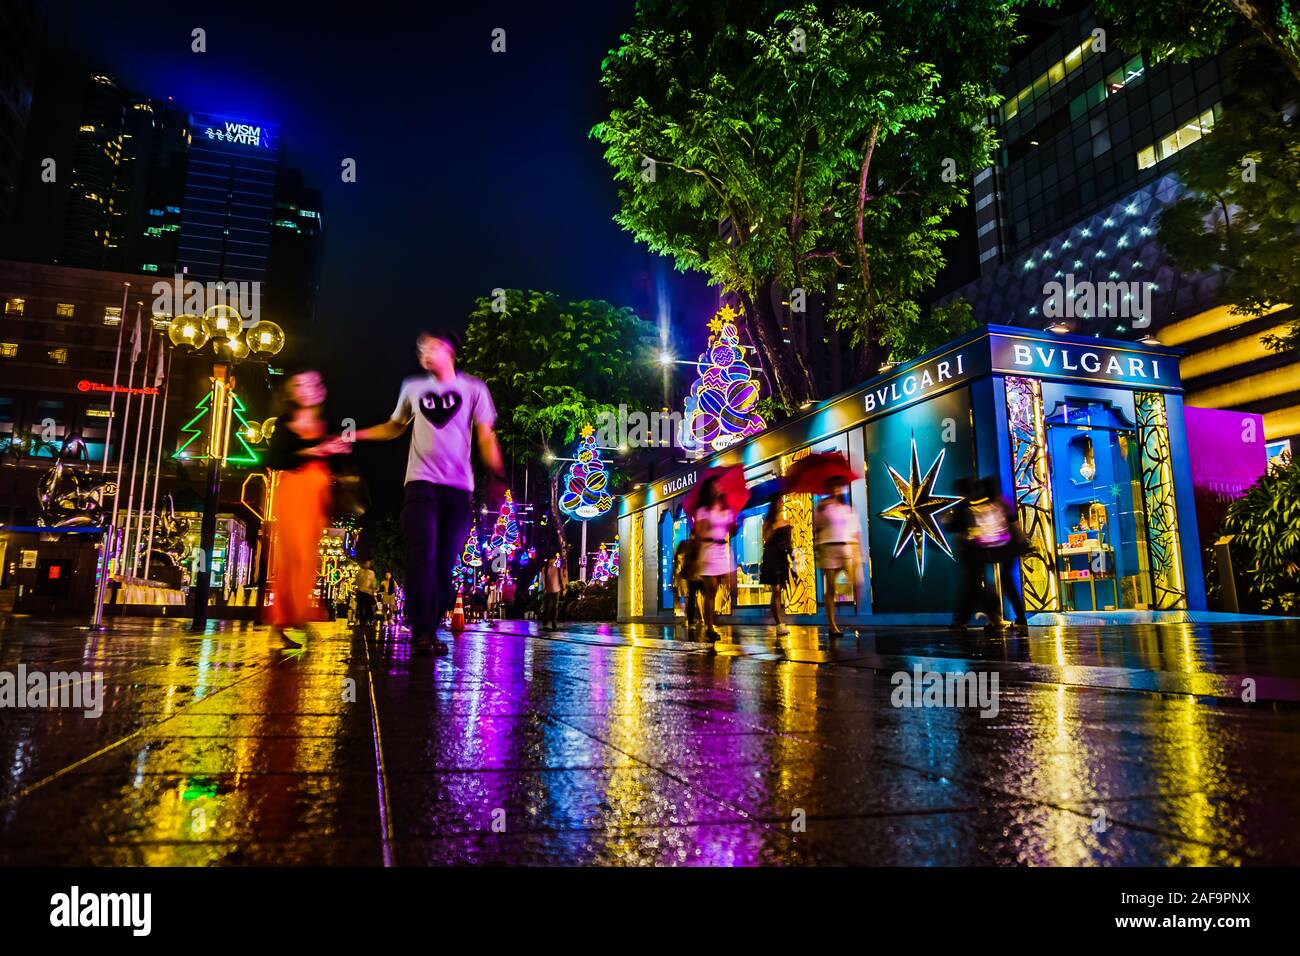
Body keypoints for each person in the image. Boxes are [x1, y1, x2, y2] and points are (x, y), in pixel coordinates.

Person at [353, 330, 504, 656]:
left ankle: (430, 626)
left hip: (459, 490)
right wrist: (358, 434)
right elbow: (395, 425)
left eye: (432, 347)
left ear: (450, 351)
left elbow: (485, 435)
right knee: (423, 553)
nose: (424, 352)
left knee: (444, 562)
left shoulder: (474, 388)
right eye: (420, 348)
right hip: (420, 484)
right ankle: (422, 631)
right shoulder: (413, 388)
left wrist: (498, 473)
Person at [264, 370, 349, 648]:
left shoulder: (324, 425)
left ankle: (293, 618)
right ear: (291, 393)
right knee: (293, 555)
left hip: (316, 495)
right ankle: (285, 619)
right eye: (301, 384)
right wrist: (313, 451)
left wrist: (336, 451)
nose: (309, 388)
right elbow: (275, 458)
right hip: (293, 493)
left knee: (308, 559)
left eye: (314, 383)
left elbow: (334, 462)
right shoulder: (285, 424)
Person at [814, 478, 860, 637]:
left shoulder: (847, 508)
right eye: (833, 487)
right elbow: (816, 529)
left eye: (838, 486)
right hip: (828, 547)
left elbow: (855, 531)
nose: (836, 489)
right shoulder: (821, 507)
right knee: (831, 589)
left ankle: (851, 615)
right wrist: (817, 545)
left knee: (857, 582)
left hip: (845, 547)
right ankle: (833, 625)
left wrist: (858, 549)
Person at [691, 477, 735, 641]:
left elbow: (732, 529)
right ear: (709, 490)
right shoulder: (704, 510)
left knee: (730, 586)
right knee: (712, 591)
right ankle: (710, 626)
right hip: (709, 549)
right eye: (715, 485)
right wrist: (696, 555)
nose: (719, 487)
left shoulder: (725, 509)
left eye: (719, 485)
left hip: (723, 548)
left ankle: (712, 620)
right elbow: (700, 533)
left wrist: (734, 525)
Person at [760, 495, 794, 635]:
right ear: (774, 504)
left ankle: (775, 618)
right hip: (771, 556)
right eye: (778, 501)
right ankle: (779, 623)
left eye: (782, 501)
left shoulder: (786, 522)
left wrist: (794, 558)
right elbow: (765, 538)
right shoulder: (768, 522)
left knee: (779, 590)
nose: (781, 504)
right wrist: (774, 527)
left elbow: (789, 544)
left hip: (782, 558)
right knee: (776, 589)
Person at [672, 535, 703, 626]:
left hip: (681, 578)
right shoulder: (687, 556)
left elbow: (675, 570)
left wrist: (673, 580)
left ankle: (688, 618)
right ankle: (699, 617)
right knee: (691, 598)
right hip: (687, 577)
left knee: (686, 598)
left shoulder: (678, 556)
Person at [540, 551, 567, 630]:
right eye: (550, 559)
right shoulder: (545, 569)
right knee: (547, 607)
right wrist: (544, 588)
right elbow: (543, 580)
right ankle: (545, 619)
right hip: (548, 590)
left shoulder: (558, 569)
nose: (551, 561)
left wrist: (563, 588)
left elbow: (561, 578)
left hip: (556, 589)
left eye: (553, 559)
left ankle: (554, 621)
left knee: (555, 607)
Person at [353, 560, 378, 629]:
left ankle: (368, 621)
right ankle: (360, 620)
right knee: (360, 607)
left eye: (369, 564)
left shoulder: (371, 573)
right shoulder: (360, 572)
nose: (368, 565)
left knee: (368, 607)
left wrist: (373, 590)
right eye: (366, 563)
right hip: (361, 591)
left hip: (368, 592)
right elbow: (357, 581)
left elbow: (373, 582)